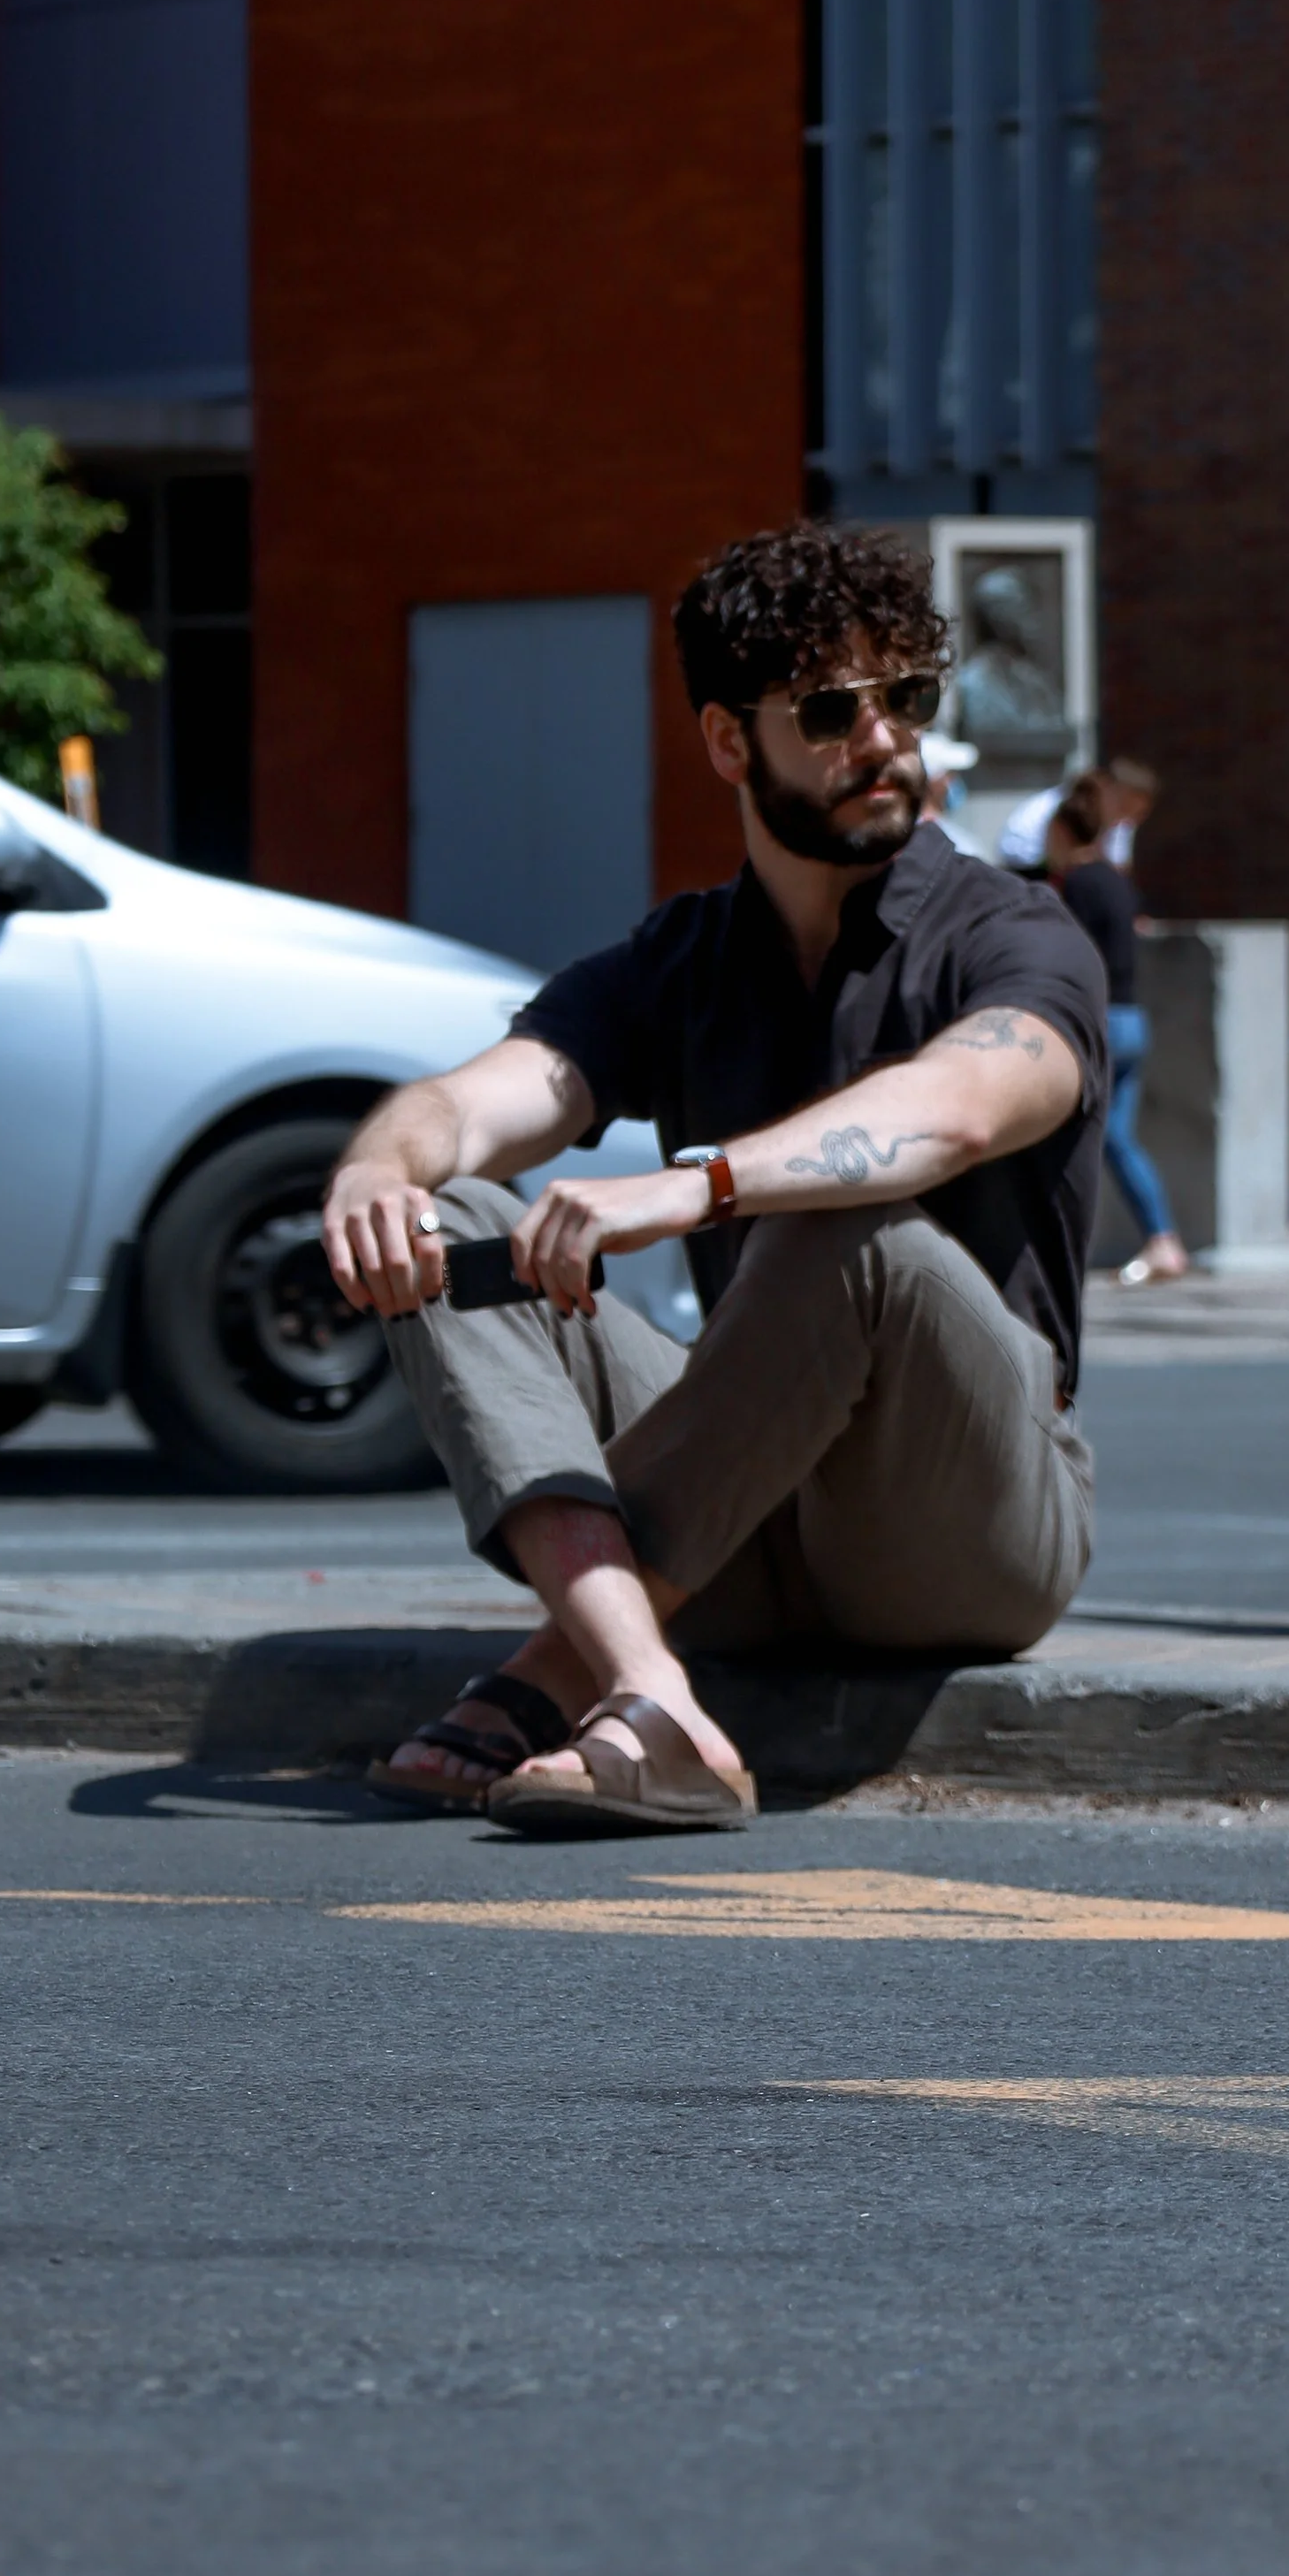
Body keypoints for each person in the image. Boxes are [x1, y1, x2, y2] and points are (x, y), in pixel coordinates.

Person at [322, 522, 1109, 1836]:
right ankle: (649, 1685)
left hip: (965, 1527)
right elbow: (473, 1102)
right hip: (751, 1526)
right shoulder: (683, 957)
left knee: (843, 1224)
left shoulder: (1016, 930)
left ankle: (556, 1671)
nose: (885, 740)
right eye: (832, 709)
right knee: (456, 1224)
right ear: (730, 742)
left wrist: (704, 1182)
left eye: (906, 697)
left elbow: (963, 1108)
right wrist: (375, 1170)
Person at [1045, 774, 1187, 1289]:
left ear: (1062, 831)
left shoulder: (1077, 886)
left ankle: (1057, 1247)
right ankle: (1162, 1239)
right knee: (1119, 1141)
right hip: (1131, 1020)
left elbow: (1068, 954)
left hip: (1097, 1022)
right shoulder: (1117, 882)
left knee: (1068, 1139)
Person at [998, 753, 1157, 880]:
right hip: (1029, 868)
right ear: (1113, 791)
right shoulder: (1075, 805)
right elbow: (1064, 857)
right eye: (1127, 808)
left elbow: (1119, 867)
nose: (1133, 818)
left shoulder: (1118, 820)